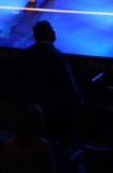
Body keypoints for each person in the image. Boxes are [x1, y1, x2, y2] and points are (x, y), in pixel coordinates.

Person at [20, 20, 83, 150]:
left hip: (32, 104)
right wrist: (79, 101)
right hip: (55, 109)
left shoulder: (26, 55)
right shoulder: (58, 57)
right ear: (51, 34)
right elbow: (68, 83)